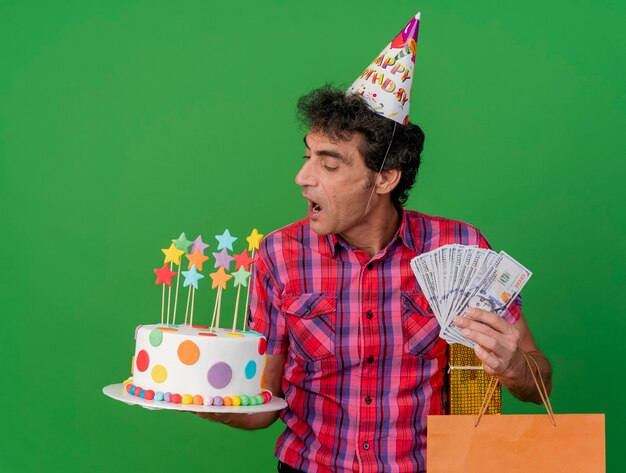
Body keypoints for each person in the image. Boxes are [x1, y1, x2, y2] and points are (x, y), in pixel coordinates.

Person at [197, 85, 552, 472]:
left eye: (329, 165)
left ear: (384, 179)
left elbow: (539, 383)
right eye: (307, 156)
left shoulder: (461, 247)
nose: (302, 177)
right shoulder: (279, 255)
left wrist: (514, 366)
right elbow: (264, 404)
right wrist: (203, 401)